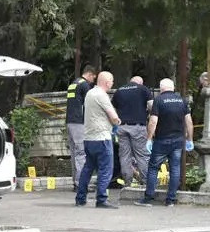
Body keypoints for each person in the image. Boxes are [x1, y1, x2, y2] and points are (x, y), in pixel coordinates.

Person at [135, 78, 194, 207]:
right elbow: (189, 122)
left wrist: (149, 139)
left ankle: (149, 198)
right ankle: (170, 200)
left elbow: (153, 121)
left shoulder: (159, 101)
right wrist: (190, 139)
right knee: (175, 169)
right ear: (173, 88)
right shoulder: (182, 101)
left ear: (161, 89)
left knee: (153, 168)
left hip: (162, 140)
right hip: (178, 140)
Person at [75, 71, 122, 208]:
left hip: (88, 138)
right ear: (107, 82)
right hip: (102, 138)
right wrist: (117, 122)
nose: (112, 84)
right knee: (106, 169)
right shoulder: (102, 95)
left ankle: (80, 198)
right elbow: (113, 117)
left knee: (87, 168)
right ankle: (101, 199)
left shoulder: (90, 93)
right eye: (112, 82)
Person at [111, 76, 154, 185]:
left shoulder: (119, 90)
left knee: (125, 156)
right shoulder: (143, 89)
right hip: (138, 127)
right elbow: (151, 106)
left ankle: (127, 183)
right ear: (140, 82)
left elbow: (113, 108)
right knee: (142, 156)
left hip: (121, 127)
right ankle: (145, 183)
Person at [66, 65, 97, 191]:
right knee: (81, 153)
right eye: (93, 78)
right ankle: (81, 184)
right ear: (89, 74)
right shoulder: (85, 85)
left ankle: (76, 182)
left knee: (74, 153)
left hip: (70, 122)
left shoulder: (73, 83)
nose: (93, 81)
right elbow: (90, 104)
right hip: (79, 122)